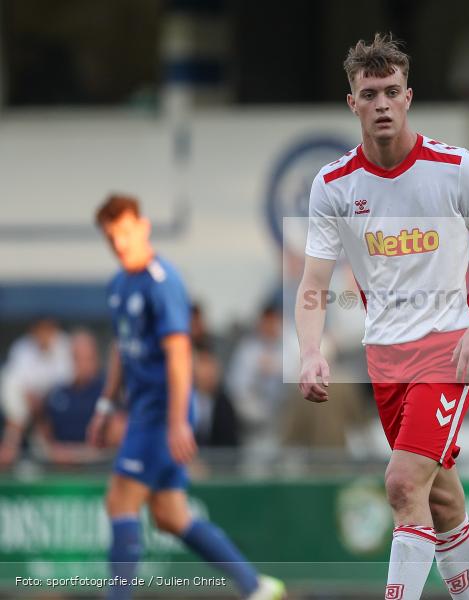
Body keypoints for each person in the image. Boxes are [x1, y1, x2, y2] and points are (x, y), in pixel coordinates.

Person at [296, 34, 469, 600]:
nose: (381, 104)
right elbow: (313, 282)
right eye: (368, 93)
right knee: (438, 498)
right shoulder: (333, 186)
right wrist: (308, 350)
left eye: (391, 92)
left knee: (400, 483)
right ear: (352, 103)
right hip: (385, 357)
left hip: (448, 348)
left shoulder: (454, 168)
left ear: (409, 97)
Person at [86, 195, 283, 600]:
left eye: (124, 232)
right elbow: (121, 348)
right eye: (111, 237)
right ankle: (256, 586)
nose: (119, 243)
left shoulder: (164, 283)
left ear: (142, 227)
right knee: (170, 515)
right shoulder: (119, 285)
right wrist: (105, 405)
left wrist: (178, 421)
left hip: (162, 416)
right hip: (142, 412)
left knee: (119, 500)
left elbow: (180, 356)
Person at [0, 317, 73, 466]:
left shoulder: (65, 345)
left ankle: (11, 443)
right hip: (29, 405)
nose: (43, 336)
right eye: (40, 331)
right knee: (9, 383)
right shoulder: (22, 347)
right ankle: (42, 449)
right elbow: (17, 381)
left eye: (47, 330)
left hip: (58, 400)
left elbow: (66, 380)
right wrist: (32, 398)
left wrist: (41, 397)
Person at [226, 302, 287, 468]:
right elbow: (237, 390)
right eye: (267, 321)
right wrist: (258, 373)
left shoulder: (290, 349)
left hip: (287, 425)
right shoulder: (247, 351)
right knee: (256, 466)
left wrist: (279, 369)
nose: (271, 326)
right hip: (255, 427)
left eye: (275, 321)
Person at [36, 330, 107, 465]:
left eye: (88, 358)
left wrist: (77, 454)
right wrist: (52, 450)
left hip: (97, 468)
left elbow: (115, 439)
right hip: (58, 467)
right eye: (77, 358)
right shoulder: (58, 393)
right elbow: (45, 430)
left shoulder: (108, 393)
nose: (83, 364)